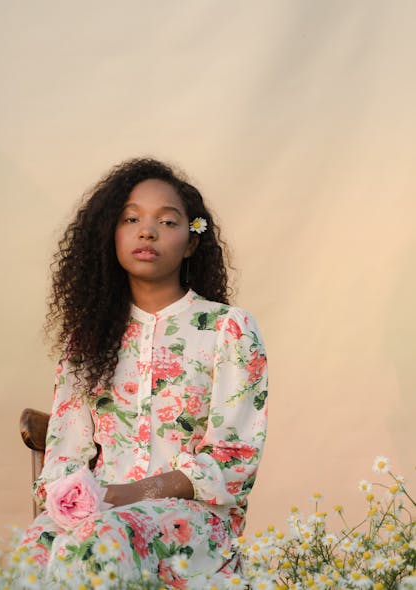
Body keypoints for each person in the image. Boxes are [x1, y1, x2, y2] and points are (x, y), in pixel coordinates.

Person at [20, 158, 268, 588]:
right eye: (130, 218)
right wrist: (73, 502)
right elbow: (63, 456)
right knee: (35, 546)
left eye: (167, 221)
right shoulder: (88, 339)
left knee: (103, 538)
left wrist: (124, 496)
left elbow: (233, 460)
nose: (146, 231)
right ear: (110, 236)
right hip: (99, 513)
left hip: (192, 519)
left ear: (191, 242)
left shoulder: (229, 329)